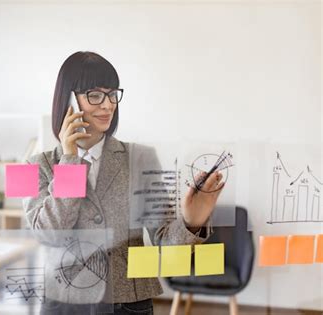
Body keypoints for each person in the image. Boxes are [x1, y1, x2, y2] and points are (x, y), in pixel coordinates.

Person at [23, 51, 224, 315]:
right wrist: (70, 160)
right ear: (68, 100)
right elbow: (47, 235)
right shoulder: (31, 165)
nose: (107, 105)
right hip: (63, 302)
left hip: (127, 302)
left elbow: (164, 243)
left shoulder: (142, 157)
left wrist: (192, 222)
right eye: (94, 95)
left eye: (112, 94)